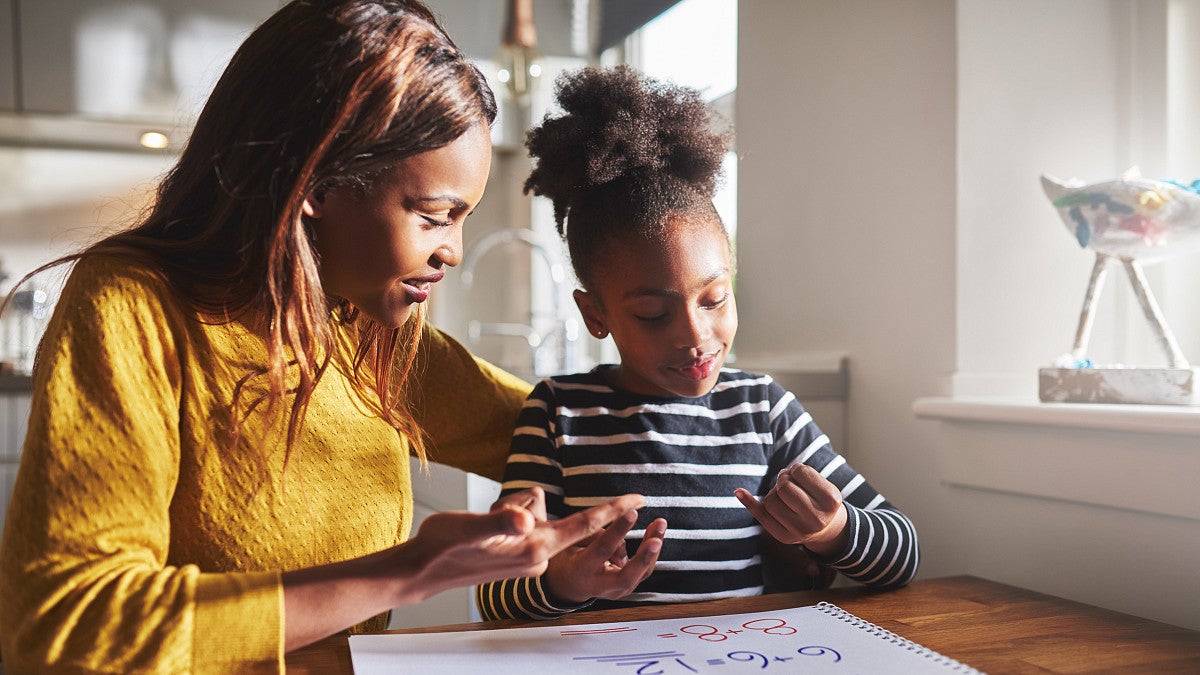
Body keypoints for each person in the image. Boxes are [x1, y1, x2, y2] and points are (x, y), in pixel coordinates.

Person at [0, 2, 650, 671]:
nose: (453, 251)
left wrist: (747, 444)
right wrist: (410, 570)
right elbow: (66, 625)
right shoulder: (134, 306)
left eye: (464, 219)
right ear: (319, 179)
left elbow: (566, 434)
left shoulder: (366, 326)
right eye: (433, 216)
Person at [475, 66, 920, 621]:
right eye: (652, 314)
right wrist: (563, 583)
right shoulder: (557, 411)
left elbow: (904, 553)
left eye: (714, 300)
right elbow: (494, 594)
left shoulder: (761, 408)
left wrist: (834, 531)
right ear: (595, 314)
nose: (694, 335)